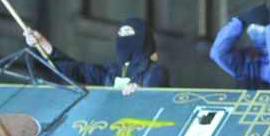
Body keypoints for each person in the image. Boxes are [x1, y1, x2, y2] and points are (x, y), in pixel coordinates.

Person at [22, 18, 168, 93]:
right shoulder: (110, 72)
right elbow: (75, 70)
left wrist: (142, 91)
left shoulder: (155, 72)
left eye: (128, 33)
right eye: (120, 34)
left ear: (142, 38)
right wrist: (42, 43)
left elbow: (156, 97)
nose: (122, 38)